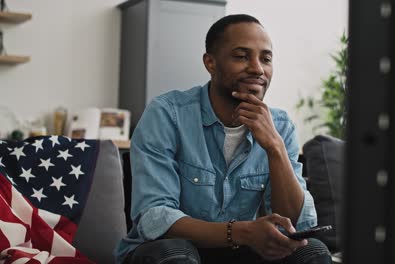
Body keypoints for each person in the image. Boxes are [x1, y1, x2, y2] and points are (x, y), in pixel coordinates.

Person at [115, 14, 332, 264]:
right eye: (241, 56)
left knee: (312, 251)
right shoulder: (167, 114)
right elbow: (155, 218)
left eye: (266, 58)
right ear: (211, 63)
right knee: (174, 253)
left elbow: (295, 223)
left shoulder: (280, 126)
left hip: (243, 253)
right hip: (176, 250)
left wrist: (275, 148)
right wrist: (244, 232)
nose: (257, 68)